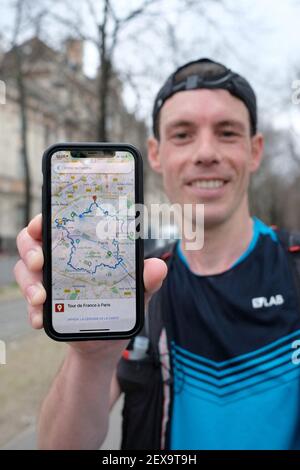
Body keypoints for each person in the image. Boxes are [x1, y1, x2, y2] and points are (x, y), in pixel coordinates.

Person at [14, 58, 300, 450]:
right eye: (182, 134)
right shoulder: (136, 283)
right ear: (155, 153)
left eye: (227, 132)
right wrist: (92, 359)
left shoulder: (296, 268)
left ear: (255, 150)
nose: (205, 153)